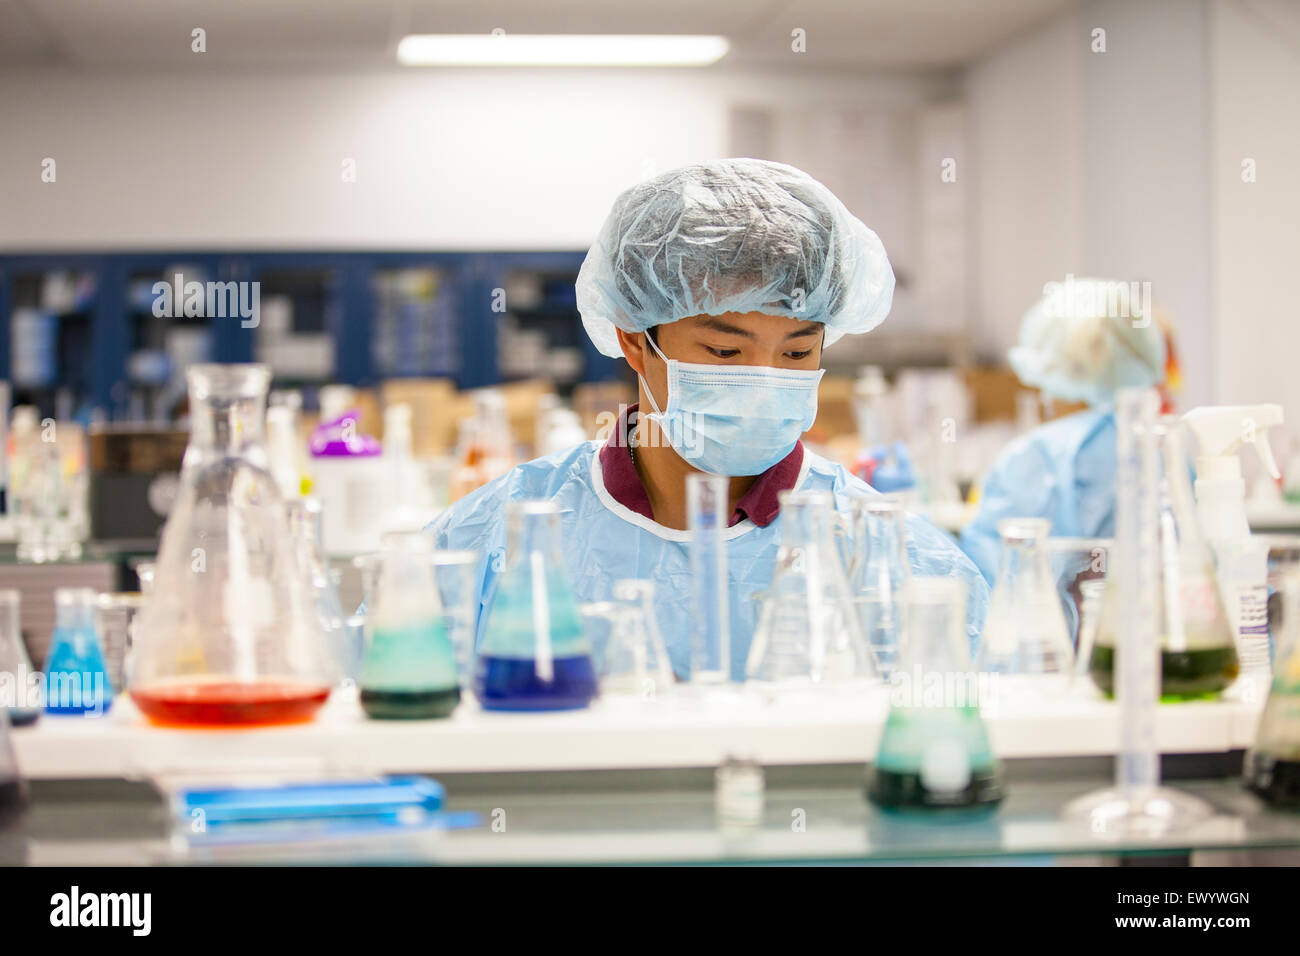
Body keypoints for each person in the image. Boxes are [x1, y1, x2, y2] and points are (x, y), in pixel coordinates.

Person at [430, 159, 990, 677]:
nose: (764, 380)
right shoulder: (495, 537)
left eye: (797, 353)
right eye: (725, 353)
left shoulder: (902, 560)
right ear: (634, 340)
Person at [959, 277, 1170, 585]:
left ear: (1054, 370)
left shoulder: (1037, 458)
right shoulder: (1163, 452)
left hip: (1054, 632)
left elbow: (993, 586)